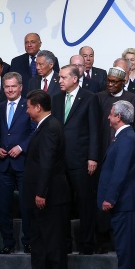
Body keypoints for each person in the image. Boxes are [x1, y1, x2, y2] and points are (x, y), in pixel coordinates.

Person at [98, 100, 135, 269]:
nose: (108, 117)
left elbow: (120, 173)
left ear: (118, 117)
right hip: (123, 201)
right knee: (128, 244)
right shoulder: (123, 136)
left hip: (123, 201)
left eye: (111, 113)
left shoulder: (126, 138)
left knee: (123, 246)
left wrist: (110, 198)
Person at [22, 90, 70, 269]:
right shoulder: (44, 126)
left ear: (38, 107)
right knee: (39, 240)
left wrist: (41, 192)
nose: (26, 111)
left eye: (28, 107)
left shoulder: (50, 127)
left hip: (51, 196)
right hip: (40, 195)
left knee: (53, 240)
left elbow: (46, 163)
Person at [52, 65, 100, 255]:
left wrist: (93, 157)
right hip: (60, 161)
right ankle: (64, 244)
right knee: (62, 204)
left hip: (81, 160)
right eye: (59, 77)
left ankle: (87, 244)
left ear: (75, 79)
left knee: (85, 203)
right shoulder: (56, 98)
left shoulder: (89, 97)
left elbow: (95, 129)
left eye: (63, 77)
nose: (60, 81)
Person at [0, 72, 33, 254]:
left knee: (27, 206)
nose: (10, 90)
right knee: (4, 207)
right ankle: (7, 242)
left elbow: (35, 131)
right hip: (2, 164)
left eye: (13, 86)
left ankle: (28, 241)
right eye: (7, 87)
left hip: (23, 163)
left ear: (20, 87)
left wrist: (21, 147)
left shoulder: (29, 106)